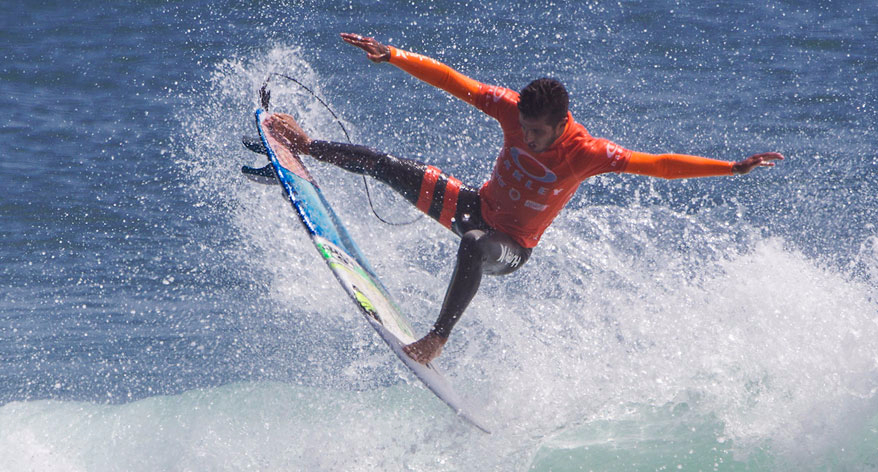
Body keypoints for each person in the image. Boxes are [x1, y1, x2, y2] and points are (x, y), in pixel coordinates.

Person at [267, 32, 783, 365]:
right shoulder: (512, 111)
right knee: (387, 165)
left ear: (562, 123)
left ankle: (436, 341)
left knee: (472, 244)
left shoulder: (587, 153)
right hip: (476, 205)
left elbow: (662, 164)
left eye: (539, 133)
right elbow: (455, 82)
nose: (529, 138)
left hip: (510, 246)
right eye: (526, 129)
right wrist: (394, 55)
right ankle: (304, 146)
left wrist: (732, 167)